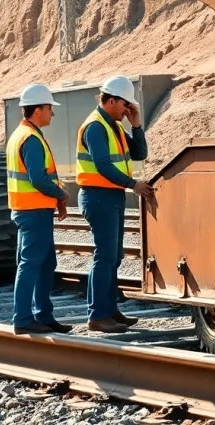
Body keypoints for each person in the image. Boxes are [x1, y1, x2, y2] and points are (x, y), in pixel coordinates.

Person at [75, 75, 153, 333]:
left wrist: (137, 124)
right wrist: (134, 185)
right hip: (98, 196)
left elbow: (140, 154)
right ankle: (97, 315)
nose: (126, 109)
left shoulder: (114, 126)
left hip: (111, 196)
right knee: (105, 256)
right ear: (110, 101)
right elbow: (103, 166)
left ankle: (109, 310)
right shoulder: (96, 126)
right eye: (124, 105)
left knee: (114, 256)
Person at [7, 84, 71, 335]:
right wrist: (62, 195)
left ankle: (43, 316)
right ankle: (23, 319)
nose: (51, 113)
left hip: (31, 210)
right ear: (37, 110)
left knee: (44, 263)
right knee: (31, 264)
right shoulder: (30, 139)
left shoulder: (21, 135)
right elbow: (38, 179)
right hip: (33, 211)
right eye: (48, 108)